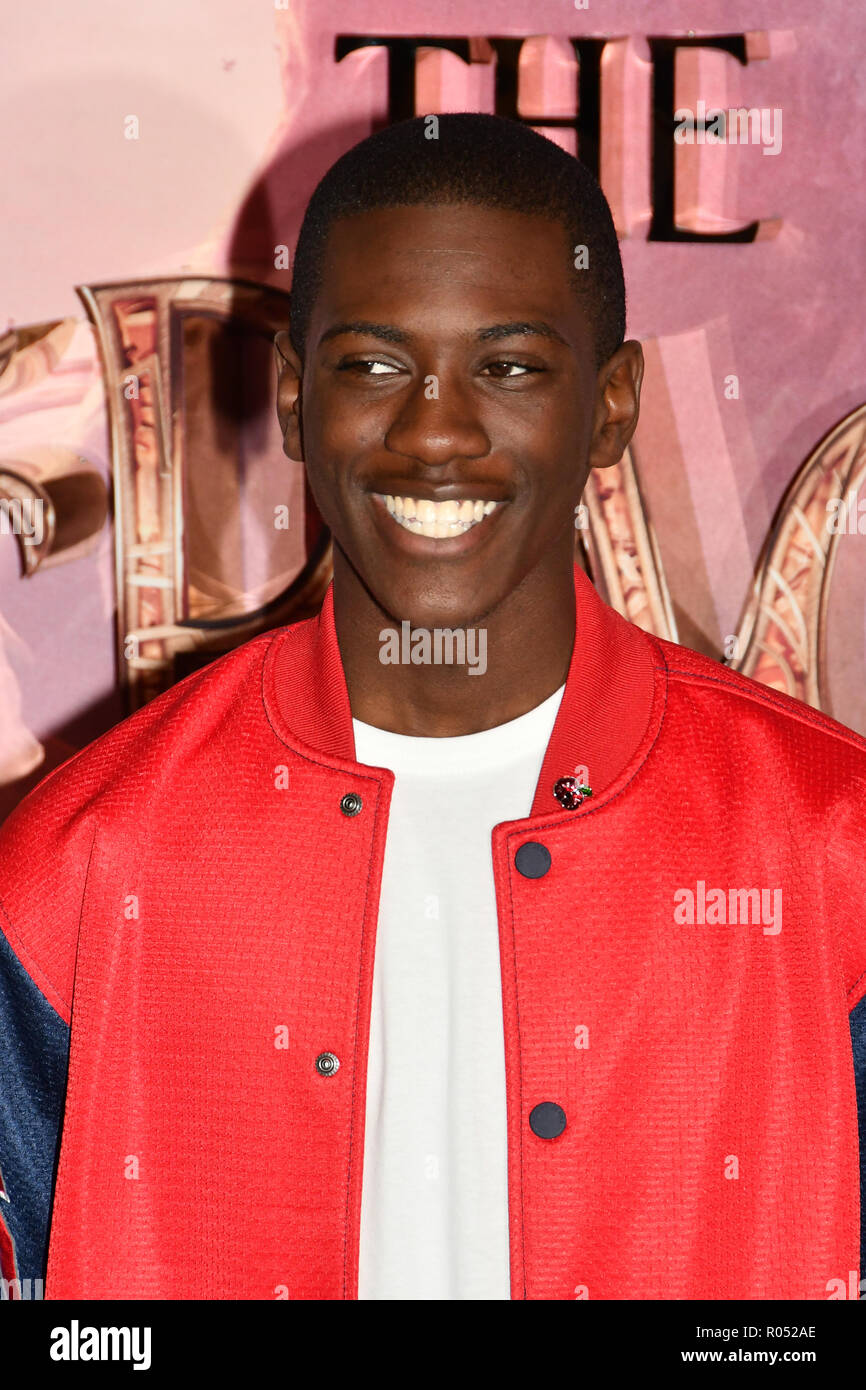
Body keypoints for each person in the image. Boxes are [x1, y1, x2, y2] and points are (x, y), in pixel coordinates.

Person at [0, 112, 863, 1302]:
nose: (434, 433)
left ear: (610, 404)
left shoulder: (830, 847)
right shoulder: (83, 861)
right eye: (371, 365)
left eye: (507, 366)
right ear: (296, 401)